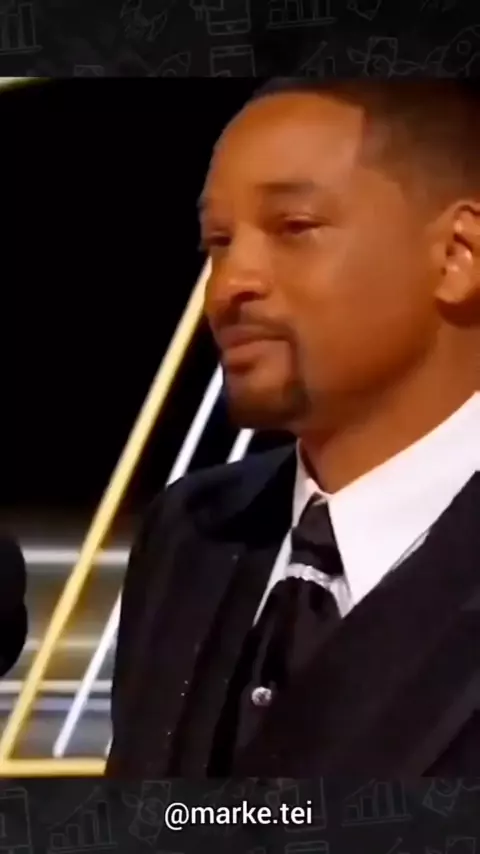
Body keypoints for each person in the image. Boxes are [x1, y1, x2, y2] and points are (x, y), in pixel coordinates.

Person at [106, 79, 480, 777]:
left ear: (458, 254)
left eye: (294, 228)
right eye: (218, 242)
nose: (229, 284)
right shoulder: (189, 532)